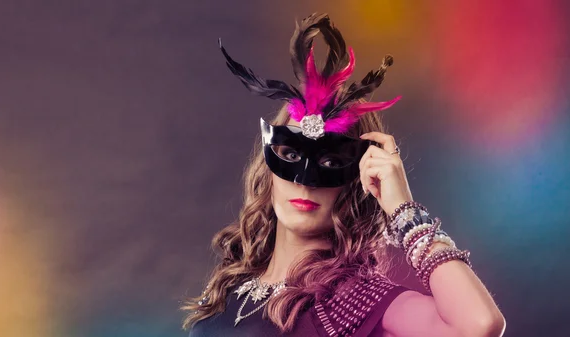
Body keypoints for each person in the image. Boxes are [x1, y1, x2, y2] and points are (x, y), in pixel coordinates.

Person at [182, 13, 505, 337]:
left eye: (331, 163)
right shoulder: (228, 289)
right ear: (268, 169)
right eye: (291, 155)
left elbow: (477, 326)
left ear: (358, 181)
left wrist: (403, 210)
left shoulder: (353, 301)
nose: (304, 181)